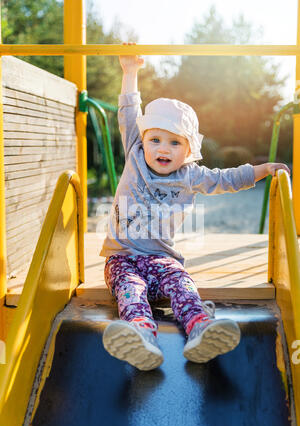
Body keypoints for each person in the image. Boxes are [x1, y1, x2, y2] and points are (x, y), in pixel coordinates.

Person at [100, 43, 290, 371]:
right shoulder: (134, 152)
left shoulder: (190, 175)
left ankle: (200, 327)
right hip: (123, 259)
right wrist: (130, 71)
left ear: (188, 150)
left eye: (175, 143)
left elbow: (227, 178)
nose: (163, 148)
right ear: (142, 139)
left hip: (162, 260)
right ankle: (141, 335)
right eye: (155, 139)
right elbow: (129, 110)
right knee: (130, 290)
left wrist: (263, 170)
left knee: (183, 282)